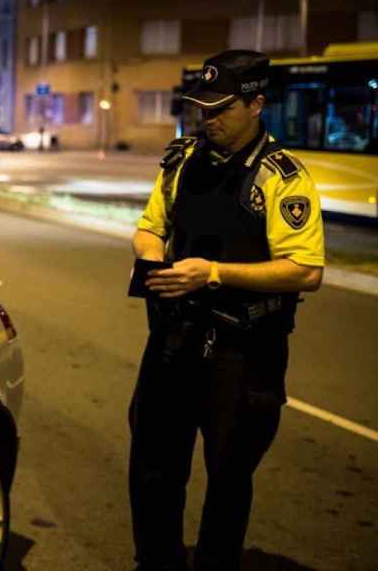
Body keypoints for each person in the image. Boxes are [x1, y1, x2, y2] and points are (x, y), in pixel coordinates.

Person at [129, 50, 325, 571]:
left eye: (220, 109)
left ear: (256, 104)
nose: (206, 118)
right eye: (202, 108)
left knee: (228, 479)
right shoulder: (181, 161)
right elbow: (151, 224)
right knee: (152, 470)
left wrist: (212, 272)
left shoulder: (280, 177)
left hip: (242, 354)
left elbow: (306, 269)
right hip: (173, 342)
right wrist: (150, 257)